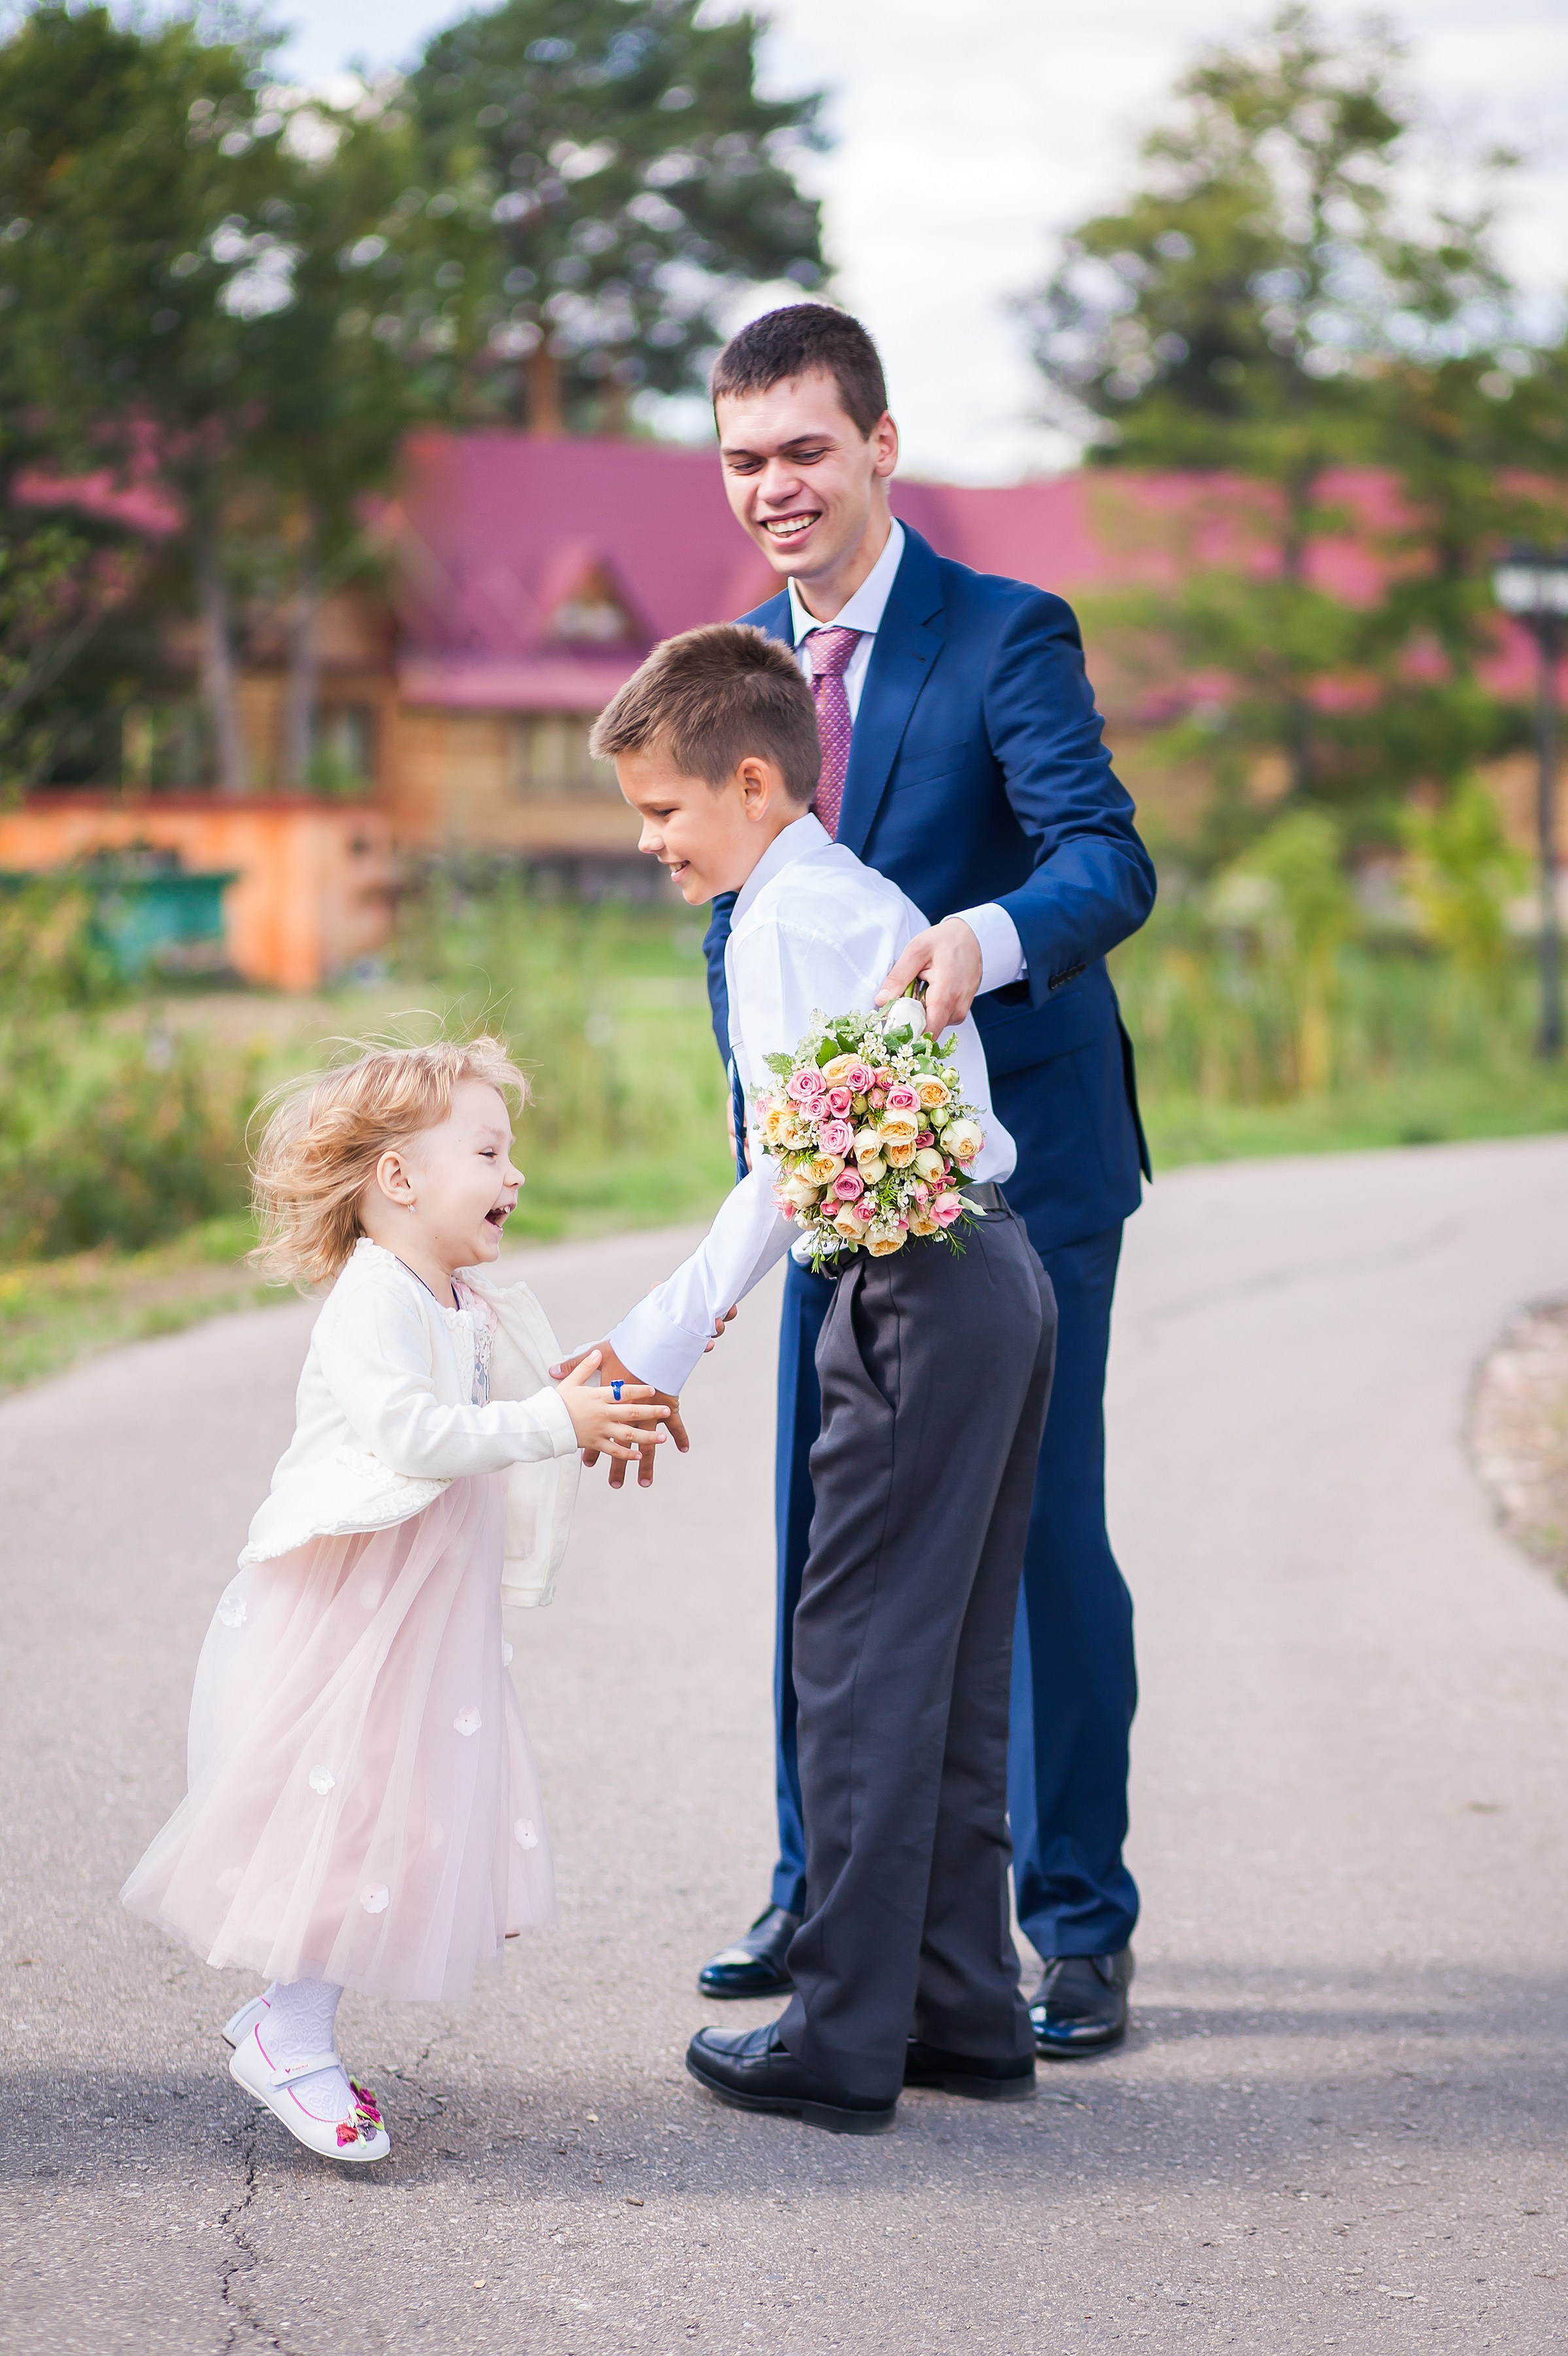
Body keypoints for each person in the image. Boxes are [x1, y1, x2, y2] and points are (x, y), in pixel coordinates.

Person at [697, 303, 1156, 2057]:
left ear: (879, 447)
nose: (775, 488)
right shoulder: (733, 657)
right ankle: (825, 1896)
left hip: (1018, 1168)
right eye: (744, 460)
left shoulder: (1003, 634)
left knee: (1028, 1541)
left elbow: (1100, 861)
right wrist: (760, 1170)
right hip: (834, 1176)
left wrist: (979, 941)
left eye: (804, 449)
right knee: (826, 1542)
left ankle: (1073, 1923)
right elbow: (734, 921)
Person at [583, 621, 1056, 2130]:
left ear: (751, 783)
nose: (650, 841)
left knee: (852, 1660)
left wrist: (657, 1332)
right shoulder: (851, 894)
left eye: (662, 810)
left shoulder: (787, 921)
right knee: (949, 1657)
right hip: (995, 1273)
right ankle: (961, 2006)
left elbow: (788, 1168)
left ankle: (845, 2035)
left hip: (913, 1287)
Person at [120, 1039, 672, 2166]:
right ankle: (289, 2029)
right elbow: (418, 1432)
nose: (513, 1173)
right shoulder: (373, 1297)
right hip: (352, 1609)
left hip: (422, 1608)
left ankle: (290, 2018)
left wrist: (612, 1390)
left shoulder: (460, 1292)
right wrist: (554, 1423)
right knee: (346, 1809)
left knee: (395, 1809)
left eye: (510, 1150)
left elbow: (531, 1388)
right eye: (487, 1149)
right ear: (398, 1180)